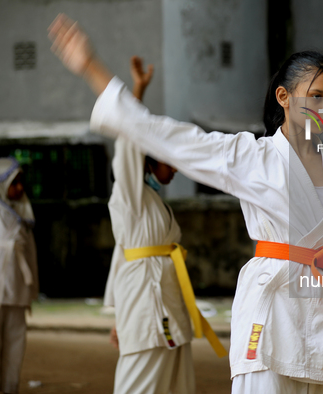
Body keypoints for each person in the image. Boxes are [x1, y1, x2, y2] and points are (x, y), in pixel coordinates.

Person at [49, 14, 323, 393]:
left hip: (322, 308)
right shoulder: (253, 156)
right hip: (271, 310)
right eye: (315, 96)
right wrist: (91, 67)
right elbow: (165, 135)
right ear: (284, 98)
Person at [103, 55, 196, 394]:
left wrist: (116, 314)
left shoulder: (150, 199)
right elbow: (129, 142)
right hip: (147, 307)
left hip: (167, 307)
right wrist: (138, 90)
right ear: (150, 158)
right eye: (169, 160)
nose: (176, 168)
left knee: (177, 385)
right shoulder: (128, 193)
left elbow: (122, 255)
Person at [0, 157, 39, 394]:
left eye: (21, 182)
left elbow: (31, 256)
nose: (20, 188)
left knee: (15, 343)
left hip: (17, 290)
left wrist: (30, 289)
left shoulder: (23, 214)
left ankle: (9, 387)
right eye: (15, 183)